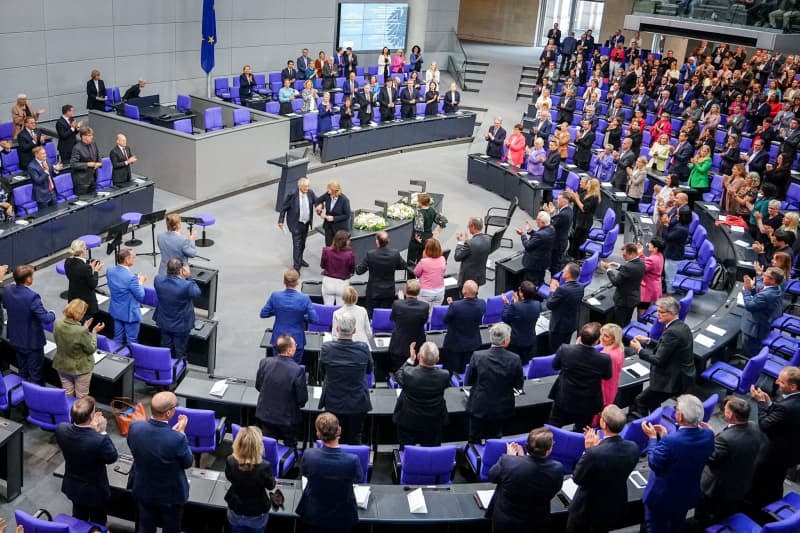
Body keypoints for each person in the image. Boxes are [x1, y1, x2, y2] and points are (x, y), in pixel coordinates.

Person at [641, 394, 715, 533]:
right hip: (687, 493)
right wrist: (665, 437)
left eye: (676, 409)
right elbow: (683, 450)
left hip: (662, 497)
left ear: (680, 416)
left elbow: (654, 463)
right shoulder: (709, 435)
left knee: (656, 528)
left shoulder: (671, 441)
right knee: (677, 525)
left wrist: (652, 439)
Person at [566, 405, 641, 533]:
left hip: (588, 509)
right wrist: (598, 447)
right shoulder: (633, 447)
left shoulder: (593, 454)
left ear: (603, 424)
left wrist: (589, 449)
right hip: (614, 503)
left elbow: (577, 478)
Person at [127, 391, 193, 533]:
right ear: (169, 413)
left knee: (145, 527)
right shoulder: (177, 439)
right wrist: (181, 434)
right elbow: (188, 462)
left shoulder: (135, 427)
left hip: (143, 489)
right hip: (170, 496)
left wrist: (174, 435)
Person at [694, 397, 762, 527]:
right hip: (740, 482)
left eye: (725, 409)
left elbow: (710, 459)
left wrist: (706, 439)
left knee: (706, 518)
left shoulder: (726, 439)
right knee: (727, 513)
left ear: (730, 415)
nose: (723, 410)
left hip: (718, 488)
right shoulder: (754, 426)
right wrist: (714, 435)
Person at [55, 396, 118, 526]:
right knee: (98, 523)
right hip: (95, 492)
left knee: (78, 518)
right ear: (91, 417)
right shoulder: (99, 440)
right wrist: (101, 431)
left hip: (72, 486)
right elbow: (112, 457)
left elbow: (79, 437)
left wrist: (90, 428)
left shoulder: (61, 429)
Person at [487, 428, 564, 532]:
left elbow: (492, 477)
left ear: (527, 446)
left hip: (506, 524)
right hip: (536, 523)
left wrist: (511, 457)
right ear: (549, 450)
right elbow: (552, 490)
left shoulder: (508, 461)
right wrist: (521, 458)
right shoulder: (557, 469)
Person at [629, 297, 695, 417]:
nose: (657, 315)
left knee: (641, 401)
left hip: (671, 380)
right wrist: (649, 341)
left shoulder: (672, 332)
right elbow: (668, 347)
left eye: (661, 312)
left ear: (672, 313)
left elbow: (658, 360)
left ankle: (646, 429)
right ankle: (655, 421)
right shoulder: (681, 326)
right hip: (679, 375)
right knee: (653, 402)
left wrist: (639, 350)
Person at [296, 413, 362, 533]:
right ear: (339, 430)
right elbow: (358, 479)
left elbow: (305, 473)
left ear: (318, 434)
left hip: (315, 513)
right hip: (342, 516)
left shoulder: (309, 455)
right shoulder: (352, 460)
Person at [748, 366, 800, 507]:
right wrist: (770, 405)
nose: (777, 382)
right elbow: (785, 416)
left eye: (782, 382)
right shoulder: (792, 403)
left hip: (775, 453)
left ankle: (754, 508)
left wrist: (761, 403)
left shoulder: (787, 406)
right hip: (791, 451)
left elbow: (765, 425)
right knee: (776, 480)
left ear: (793, 386)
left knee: (761, 481)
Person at [319, 313, 373, 444]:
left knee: (333, 437)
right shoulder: (363, 349)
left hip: (333, 401)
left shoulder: (326, 349)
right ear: (354, 330)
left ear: (337, 329)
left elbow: (322, 372)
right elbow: (369, 370)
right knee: (355, 437)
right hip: (357, 402)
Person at [465, 323, 524, 442]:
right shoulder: (515, 359)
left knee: (474, 436)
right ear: (506, 341)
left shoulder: (478, 356)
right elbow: (519, 385)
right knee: (495, 437)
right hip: (501, 407)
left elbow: (469, 381)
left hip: (479, 404)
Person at [548, 322, 612, 430]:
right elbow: (607, 376)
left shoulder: (565, 350)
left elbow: (555, 366)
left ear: (580, 337)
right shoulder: (604, 359)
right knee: (582, 430)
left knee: (554, 425)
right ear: (597, 340)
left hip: (564, 396)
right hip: (588, 402)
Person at [3, 264, 55, 383]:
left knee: (22, 369)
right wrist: (52, 313)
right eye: (32, 276)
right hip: (31, 343)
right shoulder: (32, 297)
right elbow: (46, 318)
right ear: (28, 279)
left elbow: (6, 305)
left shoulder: (7, 289)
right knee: (35, 374)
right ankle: (33, 396)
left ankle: (22, 391)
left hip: (15, 338)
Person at [392, 341, 450, 447]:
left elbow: (398, 374)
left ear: (419, 356)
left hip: (408, 420)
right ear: (437, 359)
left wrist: (410, 360)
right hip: (434, 420)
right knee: (431, 452)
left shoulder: (409, 373)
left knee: (407, 451)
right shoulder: (445, 375)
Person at [255, 334, 307, 448]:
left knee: (268, 446)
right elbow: (302, 398)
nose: (296, 348)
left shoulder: (265, 363)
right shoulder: (297, 370)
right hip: (287, 420)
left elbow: (258, 386)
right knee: (290, 446)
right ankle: (289, 464)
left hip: (265, 415)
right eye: (295, 346)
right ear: (289, 350)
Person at [225, 426, 276, 533]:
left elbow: (229, 477)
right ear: (258, 446)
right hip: (257, 513)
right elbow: (271, 486)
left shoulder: (230, 460)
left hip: (235, 509)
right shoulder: (264, 466)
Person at [260, 269, 316, 363]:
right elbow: (314, 319)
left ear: (284, 281)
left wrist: (278, 311)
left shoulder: (275, 296)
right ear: (297, 282)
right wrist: (302, 316)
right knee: (294, 368)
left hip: (278, 338)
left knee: (278, 367)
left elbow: (264, 314)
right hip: (296, 339)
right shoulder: (304, 298)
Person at [53, 299, 104, 398]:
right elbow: (91, 348)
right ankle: (80, 414)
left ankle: (69, 412)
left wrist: (83, 328)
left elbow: (69, 337)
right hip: (80, 369)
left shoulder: (57, 323)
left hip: (62, 365)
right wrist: (93, 333)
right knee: (81, 397)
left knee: (67, 394)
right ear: (80, 313)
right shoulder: (81, 331)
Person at [154, 258, 200, 360]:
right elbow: (197, 292)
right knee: (180, 349)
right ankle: (179, 370)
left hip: (164, 321)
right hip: (181, 325)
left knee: (166, 347)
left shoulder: (158, 280)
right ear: (180, 270)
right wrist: (189, 277)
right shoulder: (186, 285)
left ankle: (166, 368)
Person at [355, 231, 406, 314]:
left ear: (377, 241)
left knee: (371, 315)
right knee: (386, 315)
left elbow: (359, 271)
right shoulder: (395, 254)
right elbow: (403, 266)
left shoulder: (371, 254)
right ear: (388, 241)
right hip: (388, 292)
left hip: (373, 292)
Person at [442, 280, 486, 374]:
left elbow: (446, 320)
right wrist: (452, 306)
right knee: (467, 370)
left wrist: (451, 306)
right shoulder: (482, 304)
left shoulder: (455, 306)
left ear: (464, 291)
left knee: (454, 371)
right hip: (473, 343)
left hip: (455, 344)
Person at [107, 248, 147, 347]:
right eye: (133, 257)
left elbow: (121, 285)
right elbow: (141, 296)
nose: (135, 259)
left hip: (116, 310)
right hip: (129, 314)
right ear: (127, 260)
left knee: (118, 338)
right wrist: (140, 282)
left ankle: (118, 358)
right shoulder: (131, 278)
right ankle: (133, 361)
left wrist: (135, 282)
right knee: (132, 340)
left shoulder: (110, 270)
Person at [741, 267, 784, 356]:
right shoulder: (775, 288)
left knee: (750, 350)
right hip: (763, 323)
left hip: (754, 329)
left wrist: (746, 290)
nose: (763, 276)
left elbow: (749, 306)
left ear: (773, 281)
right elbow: (761, 290)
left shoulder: (767, 295)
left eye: (765, 275)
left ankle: (748, 365)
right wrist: (753, 287)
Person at [388, 280, 429, 372]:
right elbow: (424, 321)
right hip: (417, 346)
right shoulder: (425, 306)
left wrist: (401, 301)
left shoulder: (397, 304)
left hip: (399, 345)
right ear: (419, 291)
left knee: (398, 372)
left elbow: (393, 319)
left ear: (405, 291)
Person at [603, 243, 645, 328]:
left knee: (618, 324)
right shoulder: (641, 263)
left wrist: (608, 269)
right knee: (627, 320)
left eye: (625, 255)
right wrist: (618, 266)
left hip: (623, 301)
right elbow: (631, 272)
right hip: (633, 298)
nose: (623, 257)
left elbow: (615, 282)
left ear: (632, 254)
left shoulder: (628, 267)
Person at [278, 177, 317, 272]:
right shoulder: (292, 194)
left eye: (308, 186)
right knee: (297, 245)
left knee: (303, 244)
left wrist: (320, 206)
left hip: (306, 223)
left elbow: (317, 202)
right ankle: (296, 267)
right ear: (299, 186)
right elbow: (283, 208)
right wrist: (280, 221)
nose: (307, 188)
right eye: (305, 187)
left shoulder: (310, 193)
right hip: (295, 224)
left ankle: (300, 259)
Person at [65, 239, 105, 326]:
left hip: (73, 298)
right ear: (83, 250)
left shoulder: (67, 262)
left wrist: (89, 267)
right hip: (85, 303)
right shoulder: (85, 268)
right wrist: (96, 271)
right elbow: (93, 284)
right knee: (84, 324)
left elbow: (77, 274)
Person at [547, 262, 584, 351]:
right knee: (565, 348)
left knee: (555, 350)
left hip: (559, 326)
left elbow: (550, 305)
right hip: (570, 324)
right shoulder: (581, 287)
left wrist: (552, 290)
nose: (562, 272)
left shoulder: (562, 289)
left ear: (568, 274)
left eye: (564, 271)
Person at [501, 281, 541, 363]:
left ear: (521, 294)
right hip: (530, 340)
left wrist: (507, 304)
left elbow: (505, 318)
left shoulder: (515, 307)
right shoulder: (538, 304)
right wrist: (516, 304)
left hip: (516, 343)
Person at [406, 192, 447, 266]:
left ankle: (411, 277)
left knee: (411, 263)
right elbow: (443, 221)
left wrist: (419, 241)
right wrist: (436, 233)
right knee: (422, 262)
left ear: (421, 202)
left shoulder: (419, 214)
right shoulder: (432, 210)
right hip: (428, 240)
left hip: (417, 243)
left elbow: (418, 233)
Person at [519, 211, 555, 286]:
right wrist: (530, 231)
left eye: (537, 220)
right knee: (540, 280)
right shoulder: (551, 228)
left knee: (530, 284)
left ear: (542, 222)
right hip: (543, 262)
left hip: (534, 265)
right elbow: (541, 238)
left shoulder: (540, 235)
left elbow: (528, 246)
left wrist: (522, 235)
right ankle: (539, 296)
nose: (536, 221)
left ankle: (532, 296)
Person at [454, 216, 491, 289]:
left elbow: (457, 257)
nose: (468, 228)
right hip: (479, 276)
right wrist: (467, 242)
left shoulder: (470, 244)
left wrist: (460, 242)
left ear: (473, 227)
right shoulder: (488, 239)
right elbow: (476, 249)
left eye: (468, 226)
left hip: (468, 279)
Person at [567, 177, 600, 258]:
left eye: (589, 184)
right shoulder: (586, 193)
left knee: (578, 240)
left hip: (584, 222)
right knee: (574, 238)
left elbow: (583, 208)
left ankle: (575, 257)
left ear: (592, 186)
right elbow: (578, 199)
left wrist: (576, 198)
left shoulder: (594, 197)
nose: (587, 185)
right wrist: (572, 195)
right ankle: (571, 253)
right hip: (579, 219)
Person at [320, 230, 355, 306]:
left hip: (328, 283)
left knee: (327, 308)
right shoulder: (350, 254)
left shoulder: (326, 250)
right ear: (344, 242)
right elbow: (352, 270)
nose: (350, 241)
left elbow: (322, 265)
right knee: (340, 310)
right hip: (342, 284)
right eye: (348, 239)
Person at [314, 180, 352, 247]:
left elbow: (347, 215)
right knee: (328, 246)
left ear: (334, 190)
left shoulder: (344, 200)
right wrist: (320, 208)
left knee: (339, 247)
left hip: (340, 229)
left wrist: (333, 218)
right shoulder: (328, 195)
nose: (327, 190)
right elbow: (317, 201)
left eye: (329, 189)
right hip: (328, 227)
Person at [414, 237, 446, 307]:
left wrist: (424, 258)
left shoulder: (423, 262)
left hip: (426, 292)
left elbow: (416, 273)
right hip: (440, 291)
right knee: (434, 313)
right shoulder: (442, 259)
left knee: (424, 313)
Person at [70, 127, 102, 195]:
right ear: (83, 136)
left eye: (92, 135)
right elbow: (73, 164)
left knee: (93, 199)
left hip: (92, 178)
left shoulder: (93, 144)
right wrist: (87, 164)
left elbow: (98, 155)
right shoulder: (77, 148)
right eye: (90, 135)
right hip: (82, 182)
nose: (92, 137)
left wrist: (99, 163)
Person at [599, 323, 625, 407]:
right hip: (611, 387)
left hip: (603, 392)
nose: (601, 338)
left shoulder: (607, 355)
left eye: (606, 336)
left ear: (614, 339)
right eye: (601, 334)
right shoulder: (619, 349)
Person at [546, 192, 573, 274]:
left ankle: (554, 282)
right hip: (563, 241)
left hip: (558, 244)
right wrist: (552, 214)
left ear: (564, 201)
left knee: (555, 265)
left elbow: (551, 226)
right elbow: (558, 222)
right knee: (557, 262)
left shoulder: (563, 215)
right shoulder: (569, 210)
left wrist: (548, 215)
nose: (557, 201)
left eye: (558, 199)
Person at [639, 239, 665, 314]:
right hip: (655, 286)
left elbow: (640, 268)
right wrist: (641, 253)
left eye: (650, 244)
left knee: (642, 310)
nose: (648, 244)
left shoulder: (652, 259)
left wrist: (636, 255)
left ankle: (641, 324)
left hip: (647, 288)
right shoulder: (660, 255)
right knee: (648, 307)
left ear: (655, 248)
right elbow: (648, 261)